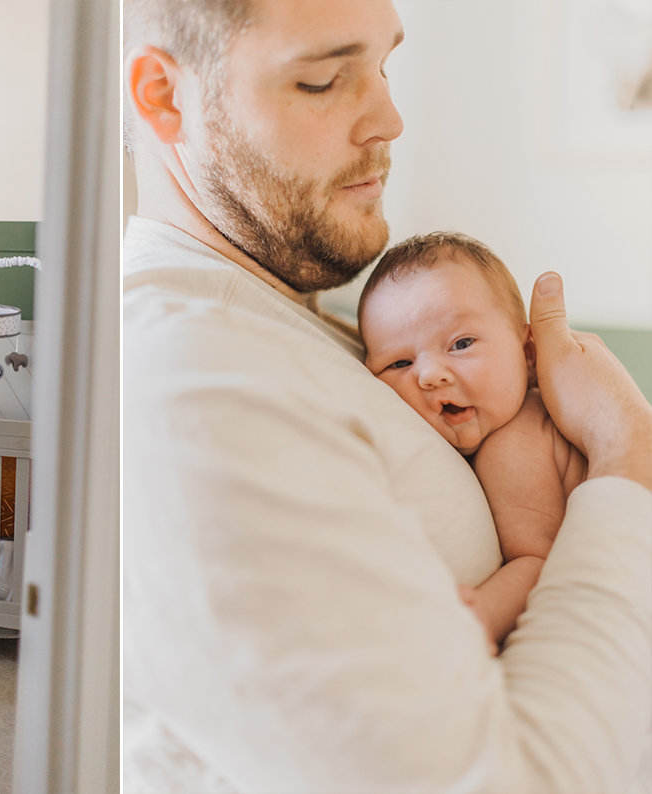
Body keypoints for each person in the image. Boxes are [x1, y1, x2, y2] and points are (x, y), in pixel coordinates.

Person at [122, 1, 652, 791]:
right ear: (167, 97)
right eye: (323, 80)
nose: (390, 119)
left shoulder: (289, 320)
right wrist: (628, 452)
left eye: (383, 66)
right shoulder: (198, 385)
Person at [358, 232, 588, 650]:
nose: (428, 374)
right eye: (399, 363)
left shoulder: (513, 444)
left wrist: (481, 613)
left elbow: (537, 562)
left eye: (461, 344)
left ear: (530, 355)